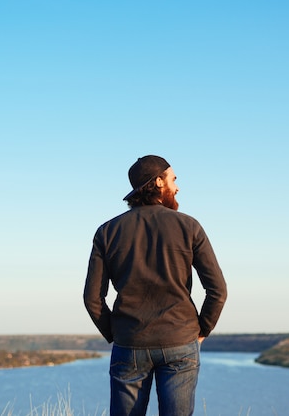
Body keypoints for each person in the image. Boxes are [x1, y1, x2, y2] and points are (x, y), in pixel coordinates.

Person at [84, 155, 228, 416]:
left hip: (129, 343)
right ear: (158, 182)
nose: (177, 187)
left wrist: (117, 333)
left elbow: (93, 299)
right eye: (174, 179)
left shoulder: (107, 231)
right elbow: (217, 290)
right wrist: (201, 331)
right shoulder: (189, 226)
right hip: (180, 340)